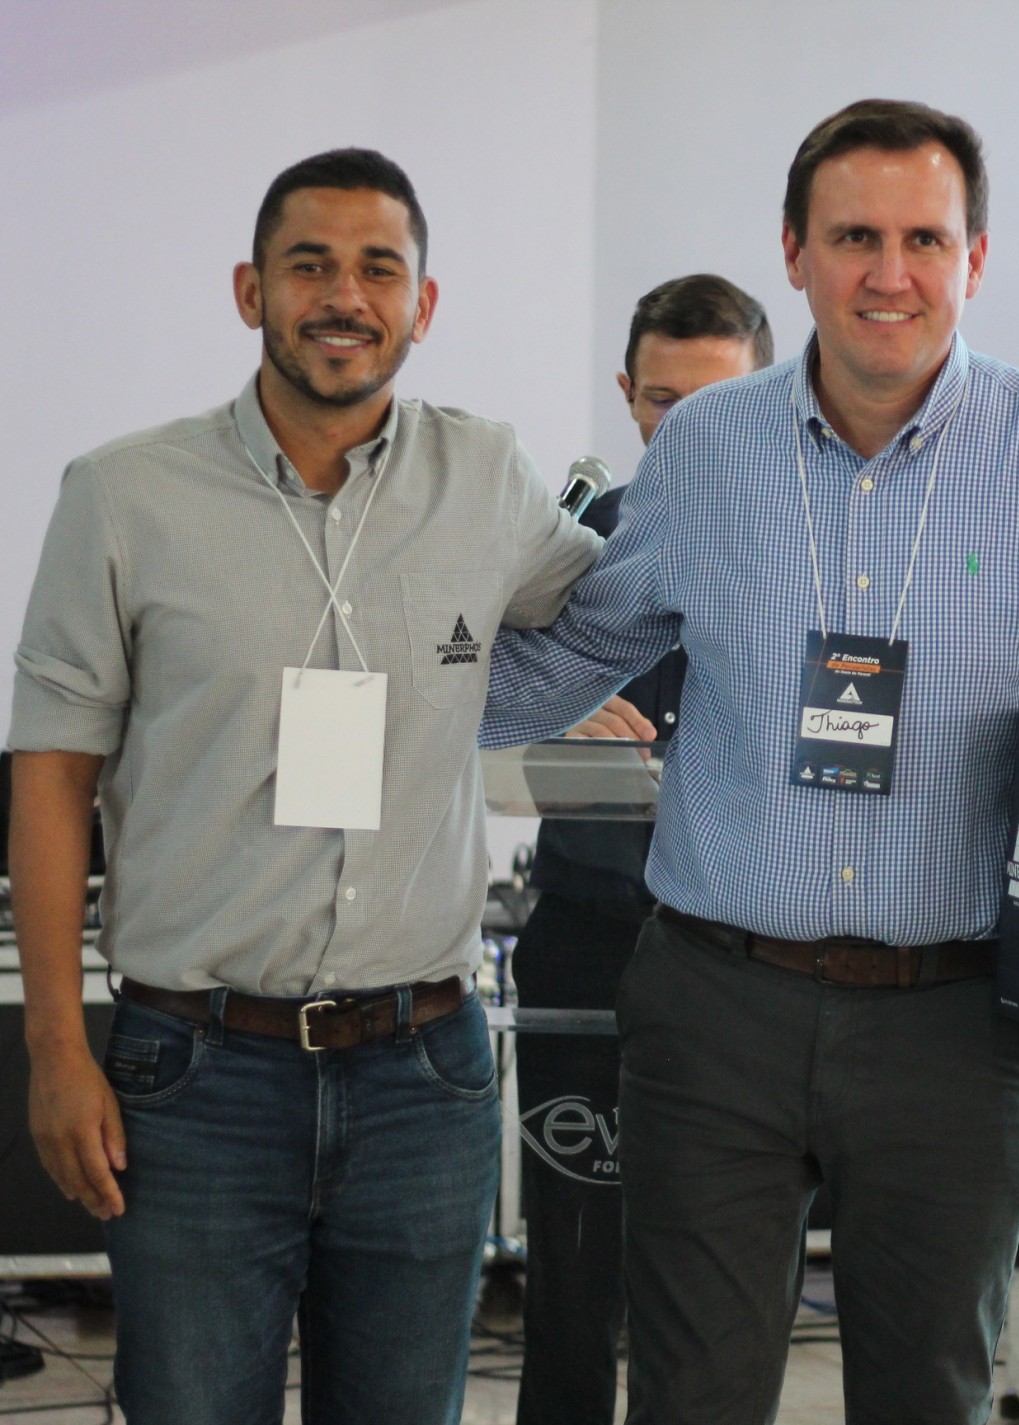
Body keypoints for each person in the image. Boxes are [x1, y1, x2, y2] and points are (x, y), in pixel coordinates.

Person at [482, 99, 1019, 1425]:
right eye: (854, 237)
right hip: (718, 1008)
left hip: (957, 1024)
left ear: (975, 258)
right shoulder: (706, 449)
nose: (891, 273)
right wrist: (386, 681)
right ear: (795, 252)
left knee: (925, 1395)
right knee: (692, 1398)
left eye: (924, 239)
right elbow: (578, 650)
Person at [9, 147, 602, 1424]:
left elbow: (610, 609)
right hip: (196, 1075)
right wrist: (56, 1047)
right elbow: (51, 776)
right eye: (310, 266)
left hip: (423, 1074)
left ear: (422, 304)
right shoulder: (123, 496)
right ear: (250, 291)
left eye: (379, 269)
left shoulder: (488, 479)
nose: (344, 297)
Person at [511, 272, 772, 1425]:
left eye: (716, 401)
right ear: (626, 395)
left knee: (710, 1277)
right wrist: (548, 705)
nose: (688, 429)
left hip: (741, 950)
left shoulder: (828, 544)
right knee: (572, 1264)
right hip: (585, 933)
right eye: (664, 402)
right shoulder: (569, 545)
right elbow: (456, 675)